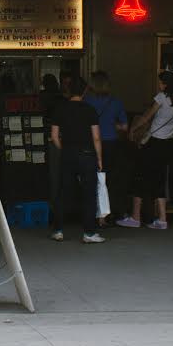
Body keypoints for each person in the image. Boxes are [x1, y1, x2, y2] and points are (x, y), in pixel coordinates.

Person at [48, 73, 106, 243]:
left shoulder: (60, 109)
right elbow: (96, 137)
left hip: (68, 154)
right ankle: (89, 233)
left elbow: (54, 136)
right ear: (85, 91)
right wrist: (99, 158)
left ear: (68, 90)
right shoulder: (90, 110)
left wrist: (64, 148)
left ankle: (58, 230)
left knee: (63, 192)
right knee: (89, 193)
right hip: (87, 155)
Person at [126, 71, 173, 231]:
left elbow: (147, 117)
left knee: (140, 176)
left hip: (154, 142)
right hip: (167, 144)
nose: (158, 85)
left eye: (160, 82)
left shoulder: (161, 97)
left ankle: (135, 217)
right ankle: (162, 219)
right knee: (159, 179)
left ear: (165, 84)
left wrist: (133, 129)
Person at [85, 71, 130, 235]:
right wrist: (112, 125)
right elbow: (125, 127)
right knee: (108, 180)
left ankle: (94, 216)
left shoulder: (87, 101)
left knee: (93, 179)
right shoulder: (115, 102)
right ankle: (106, 215)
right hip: (111, 144)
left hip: (90, 143)